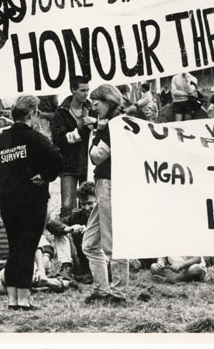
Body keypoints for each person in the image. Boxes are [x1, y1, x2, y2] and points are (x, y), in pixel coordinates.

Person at [0, 95, 64, 311]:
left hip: (8, 200)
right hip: (32, 200)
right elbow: (58, 160)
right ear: (32, 114)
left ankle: (13, 299)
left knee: (14, 248)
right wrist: (44, 176)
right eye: (37, 113)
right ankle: (23, 299)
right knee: (27, 247)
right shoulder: (36, 138)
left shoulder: (1, 140)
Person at [83, 84, 129, 305]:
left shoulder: (114, 126)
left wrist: (98, 131)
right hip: (103, 182)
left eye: (97, 102)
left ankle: (118, 293)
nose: (93, 106)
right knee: (90, 243)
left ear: (109, 102)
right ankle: (102, 289)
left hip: (110, 183)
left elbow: (96, 156)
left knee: (112, 242)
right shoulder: (112, 124)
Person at [51, 77, 97, 221]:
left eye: (88, 90)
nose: (86, 93)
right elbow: (58, 139)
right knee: (67, 206)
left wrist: (95, 124)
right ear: (73, 90)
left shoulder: (92, 108)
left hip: (88, 163)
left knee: (89, 204)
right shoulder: (61, 112)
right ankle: (67, 239)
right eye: (82, 90)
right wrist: (81, 129)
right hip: (68, 165)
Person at [46, 181, 97, 283]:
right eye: (83, 204)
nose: (86, 208)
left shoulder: (104, 216)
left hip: (99, 262)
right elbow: (51, 224)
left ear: (97, 200)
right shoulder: (76, 216)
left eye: (90, 203)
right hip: (79, 261)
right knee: (61, 232)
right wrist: (69, 229)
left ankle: (92, 275)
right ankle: (66, 269)